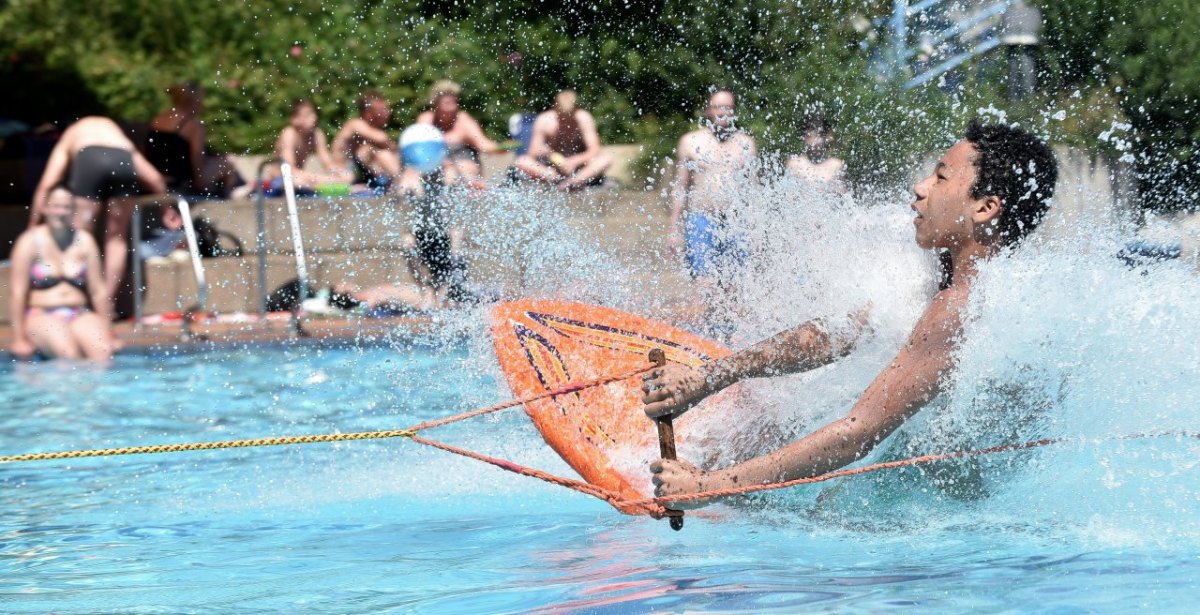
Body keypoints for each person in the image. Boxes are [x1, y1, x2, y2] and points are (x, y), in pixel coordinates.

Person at [644, 119, 1058, 507]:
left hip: (942, 526)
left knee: (816, 500)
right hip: (936, 501)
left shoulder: (961, 308)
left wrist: (705, 487)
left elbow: (857, 433)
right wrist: (706, 379)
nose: (919, 188)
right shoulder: (941, 277)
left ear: (985, 208)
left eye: (941, 177)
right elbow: (834, 335)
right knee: (770, 428)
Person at [29, 116, 168, 304]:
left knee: (79, 236)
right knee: (116, 239)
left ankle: (77, 300)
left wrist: (33, 223)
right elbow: (154, 178)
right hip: (123, 161)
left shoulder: (72, 134)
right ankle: (106, 302)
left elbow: (48, 182)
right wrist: (167, 210)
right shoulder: (117, 137)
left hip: (90, 159)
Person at [10, 185, 118, 362]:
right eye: (56, 206)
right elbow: (17, 293)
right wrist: (19, 339)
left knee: (104, 352)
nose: (61, 212)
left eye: (66, 207)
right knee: (68, 354)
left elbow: (98, 291)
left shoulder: (84, 241)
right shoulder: (28, 242)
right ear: (45, 208)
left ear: (74, 210)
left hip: (79, 313)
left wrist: (109, 333)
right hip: (41, 314)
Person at [669, 88, 759, 278]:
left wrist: (756, 229)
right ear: (708, 111)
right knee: (703, 280)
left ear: (734, 111)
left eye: (727, 107)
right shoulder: (690, 142)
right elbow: (680, 187)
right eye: (717, 107)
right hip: (701, 218)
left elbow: (754, 189)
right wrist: (673, 229)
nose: (722, 112)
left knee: (736, 282)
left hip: (737, 220)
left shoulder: (746, 143)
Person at [146, 82, 243, 198]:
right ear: (193, 101)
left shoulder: (157, 120)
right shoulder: (193, 126)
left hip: (160, 177)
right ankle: (229, 198)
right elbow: (198, 169)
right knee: (229, 161)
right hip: (183, 182)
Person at [514, 90, 613, 190]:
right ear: (555, 108)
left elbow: (595, 150)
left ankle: (573, 182)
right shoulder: (544, 120)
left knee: (605, 159)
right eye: (561, 117)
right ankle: (555, 179)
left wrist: (574, 161)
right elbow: (533, 153)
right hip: (552, 168)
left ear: (576, 110)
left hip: (579, 168)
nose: (565, 122)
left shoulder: (584, 118)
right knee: (522, 161)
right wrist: (552, 156)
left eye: (569, 117)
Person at [416, 80, 503, 184]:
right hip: (435, 165)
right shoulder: (426, 120)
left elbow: (482, 144)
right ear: (436, 104)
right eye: (447, 103)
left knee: (458, 171)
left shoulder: (463, 120)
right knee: (413, 173)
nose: (453, 107)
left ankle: (472, 190)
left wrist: (501, 148)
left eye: (454, 102)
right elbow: (420, 149)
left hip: (464, 164)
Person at [272, 99, 353, 193]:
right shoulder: (289, 134)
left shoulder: (317, 134)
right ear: (295, 119)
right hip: (280, 179)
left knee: (347, 176)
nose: (313, 118)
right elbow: (288, 169)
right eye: (307, 115)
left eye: (314, 114)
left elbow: (328, 164)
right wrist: (320, 178)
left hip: (302, 177)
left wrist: (341, 174)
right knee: (298, 181)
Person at [331, 89, 400, 193]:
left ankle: (400, 181)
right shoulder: (355, 124)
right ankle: (400, 182)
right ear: (368, 113)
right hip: (342, 173)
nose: (388, 112)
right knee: (379, 152)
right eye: (382, 110)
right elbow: (383, 139)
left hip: (359, 173)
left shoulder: (369, 131)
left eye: (387, 109)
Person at [786, 112, 847, 194]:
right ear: (805, 137)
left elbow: (843, 196)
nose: (818, 140)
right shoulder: (795, 163)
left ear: (827, 137)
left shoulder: (835, 165)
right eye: (813, 135)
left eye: (821, 134)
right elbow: (789, 196)